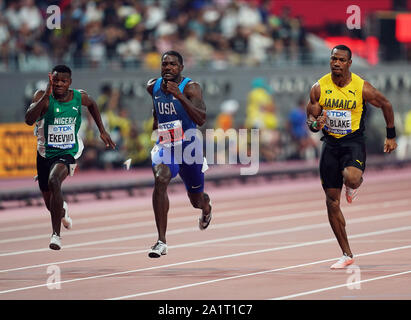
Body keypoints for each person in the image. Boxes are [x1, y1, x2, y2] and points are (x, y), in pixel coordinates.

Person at [306, 45, 397, 269]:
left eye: (341, 60)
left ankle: (352, 184)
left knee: (352, 176)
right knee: (331, 202)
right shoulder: (319, 88)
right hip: (330, 145)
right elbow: (312, 120)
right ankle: (347, 254)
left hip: (353, 143)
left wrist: (391, 136)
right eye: (333, 59)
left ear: (349, 63)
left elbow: (386, 104)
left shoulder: (361, 87)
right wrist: (316, 124)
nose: (336, 63)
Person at [25, 65, 116, 250]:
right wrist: (45, 96)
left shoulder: (78, 96)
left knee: (54, 180)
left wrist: (102, 130)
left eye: (63, 81)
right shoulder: (41, 96)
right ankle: (63, 209)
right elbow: (28, 120)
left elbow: (92, 104)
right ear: (51, 80)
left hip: (69, 150)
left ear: (69, 83)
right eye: (56, 80)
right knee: (50, 203)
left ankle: (55, 235)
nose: (59, 84)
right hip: (44, 153)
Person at [146, 51, 212, 258]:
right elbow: (157, 108)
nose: (168, 68)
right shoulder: (153, 86)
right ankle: (161, 241)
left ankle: (206, 207)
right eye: (164, 64)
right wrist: (156, 121)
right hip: (166, 145)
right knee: (161, 178)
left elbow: (201, 119)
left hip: (189, 148)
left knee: (196, 200)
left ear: (181, 68)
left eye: (173, 65)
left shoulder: (191, 88)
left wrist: (179, 96)